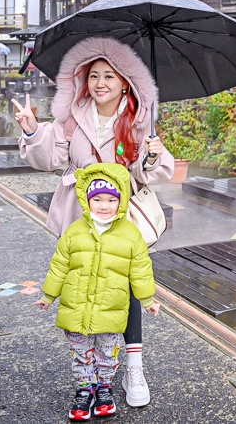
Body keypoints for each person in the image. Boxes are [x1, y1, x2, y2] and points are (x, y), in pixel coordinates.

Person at [12, 37, 173, 407]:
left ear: (125, 82)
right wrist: (33, 129)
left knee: (128, 290)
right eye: (94, 76)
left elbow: (148, 173)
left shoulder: (138, 120)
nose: (100, 84)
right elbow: (49, 157)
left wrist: (150, 158)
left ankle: (133, 367)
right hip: (79, 217)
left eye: (110, 77)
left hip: (123, 218)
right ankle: (91, 372)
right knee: (85, 287)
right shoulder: (72, 115)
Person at [33, 162, 160, 420]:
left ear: (121, 201)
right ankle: (84, 388)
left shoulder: (130, 235)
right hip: (76, 308)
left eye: (111, 199)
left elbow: (140, 270)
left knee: (108, 353)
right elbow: (59, 266)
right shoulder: (74, 232)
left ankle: (104, 387)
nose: (104, 206)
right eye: (97, 199)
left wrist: (147, 299)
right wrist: (48, 295)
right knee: (80, 354)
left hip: (110, 311)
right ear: (86, 200)